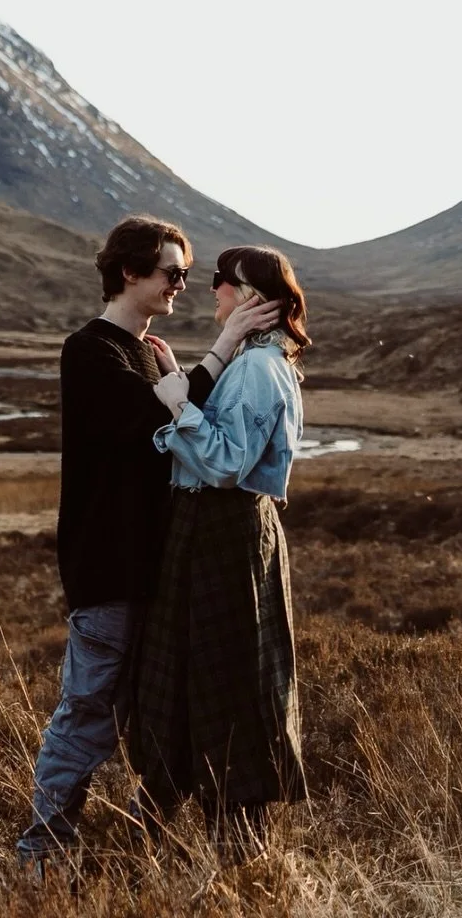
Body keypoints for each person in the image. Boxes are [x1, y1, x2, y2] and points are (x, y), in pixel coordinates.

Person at [16, 216, 279, 871]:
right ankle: (40, 849)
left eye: (187, 274)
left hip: (154, 573)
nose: (181, 285)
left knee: (157, 714)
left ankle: (145, 840)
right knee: (88, 714)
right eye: (170, 272)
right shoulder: (91, 350)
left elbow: (179, 419)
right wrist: (221, 347)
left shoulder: (146, 352)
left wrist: (191, 372)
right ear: (130, 272)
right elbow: (148, 423)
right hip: (109, 569)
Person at [128, 245, 311, 864]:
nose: (211, 292)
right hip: (210, 533)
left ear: (253, 298)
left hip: (224, 536)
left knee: (225, 682)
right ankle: (184, 839)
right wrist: (190, 376)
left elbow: (229, 464)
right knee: (195, 677)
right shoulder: (247, 360)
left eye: (221, 283)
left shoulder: (261, 367)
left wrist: (178, 403)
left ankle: (243, 853)